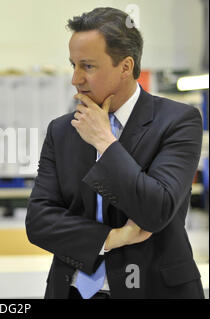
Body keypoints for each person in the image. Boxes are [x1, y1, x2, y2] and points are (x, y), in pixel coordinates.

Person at [26, 7, 205, 299]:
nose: (75, 79)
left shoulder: (178, 121)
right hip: (72, 290)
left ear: (125, 67)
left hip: (153, 290)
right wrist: (109, 239)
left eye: (88, 66)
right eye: (73, 64)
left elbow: (156, 210)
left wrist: (105, 142)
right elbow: (39, 222)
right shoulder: (62, 130)